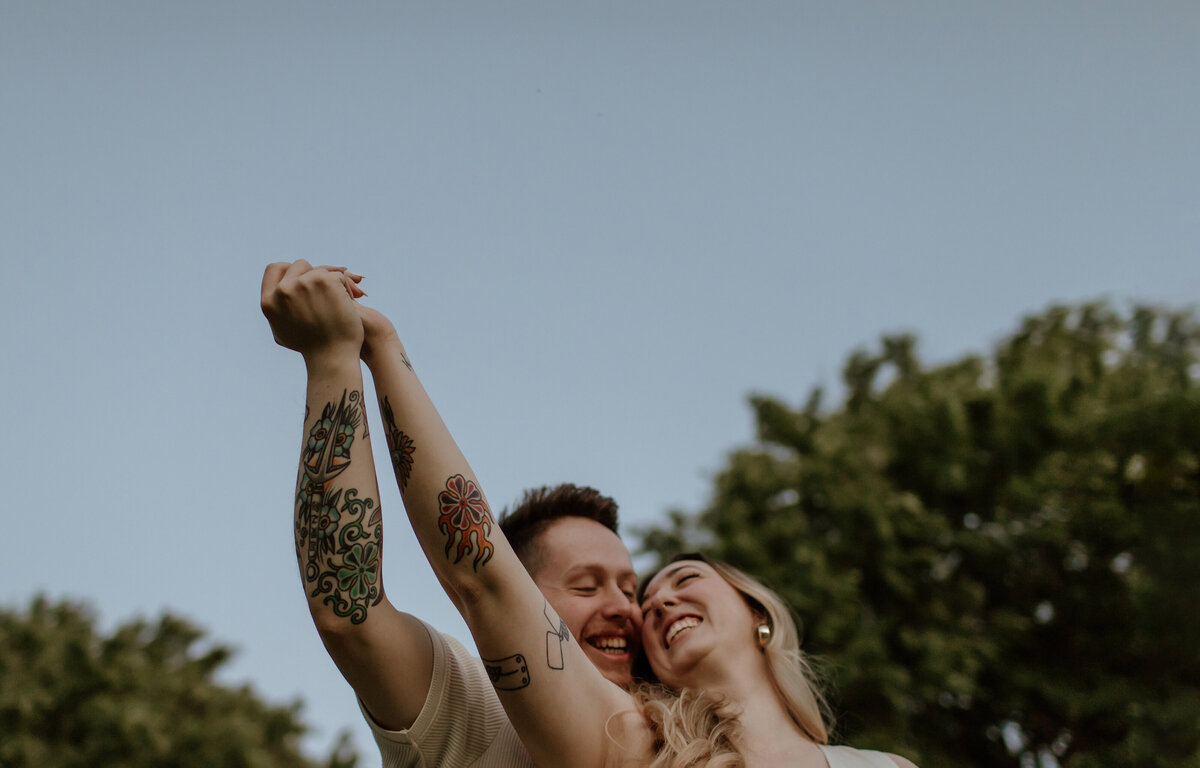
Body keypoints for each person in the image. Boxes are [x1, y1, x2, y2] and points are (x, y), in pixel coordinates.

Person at [262, 261, 919, 768]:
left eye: (649, 587)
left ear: (760, 616)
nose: (638, 610)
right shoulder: (610, 742)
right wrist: (344, 357)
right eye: (585, 585)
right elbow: (465, 577)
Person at [260, 261, 641, 767]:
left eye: (633, 590)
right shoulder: (477, 710)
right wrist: (335, 357)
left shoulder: (695, 738)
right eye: (587, 586)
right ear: (522, 595)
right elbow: (351, 617)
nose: (624, 609)